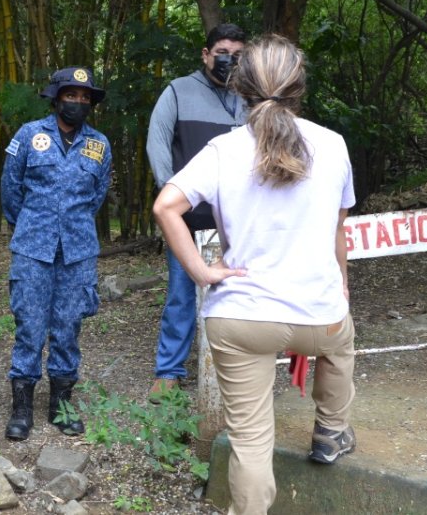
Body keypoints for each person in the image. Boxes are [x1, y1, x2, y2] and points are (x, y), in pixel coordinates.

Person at [152, 35, 357, 514]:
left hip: (241, 317)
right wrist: (339, 287)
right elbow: (337, 233)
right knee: (341, 343)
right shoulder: (333, 145)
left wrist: (204, 272)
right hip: (317, 313)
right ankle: (330, 431)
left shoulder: (223, 149)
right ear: (299, 86)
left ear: (241, 87)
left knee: (249, 439)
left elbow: (166, 207)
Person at [0, 67, 113, 441]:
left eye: (84, 96)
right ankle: (21, 408)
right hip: (33, 248)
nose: (77, 102)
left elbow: (96, 197)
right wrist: (35, 225)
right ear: (56, 97)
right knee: (30, 327)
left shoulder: (99, 145)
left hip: (78, 251)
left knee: (68, 327)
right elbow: (10, 191)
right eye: (71, 94)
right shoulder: (30, 136)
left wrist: (71, 225)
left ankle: (62, 405)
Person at [145, 23, 248, 400]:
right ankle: (169, 371)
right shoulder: (178, 91)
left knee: (241, 289)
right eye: (222, 53)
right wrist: (171, 194)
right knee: (181, 293)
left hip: (239, 221)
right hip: (187, 219)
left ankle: (236, 365)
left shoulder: (250, 97)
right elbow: (158, 143)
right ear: (206, 55)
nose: (228, 61)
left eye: (237, 55)